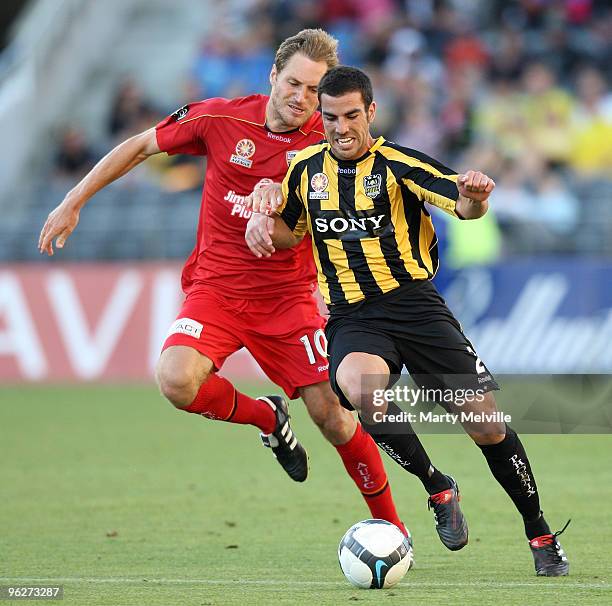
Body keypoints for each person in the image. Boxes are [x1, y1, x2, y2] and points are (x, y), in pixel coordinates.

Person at [38, 30, 410, 537]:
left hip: (288, 299)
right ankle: (267, 419)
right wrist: (73, 200)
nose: (301, 98)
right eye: (294, 84)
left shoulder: (330, 143)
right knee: (175, 380)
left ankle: (392, 529)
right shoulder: (219, 117)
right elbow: (142, 145)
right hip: (215, 292)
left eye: (313, 91)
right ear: (273, 77)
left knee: (336, 419)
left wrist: (283, 196)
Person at [245, 65, 570, 576]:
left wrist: (477, 196)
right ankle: (438, 486)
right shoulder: (305, 170)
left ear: (370, 112)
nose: (341, 127)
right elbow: (291, 231)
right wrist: (263, 227)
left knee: (485, 425)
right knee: (356, 384)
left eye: (352, 115)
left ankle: (539, 532)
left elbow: (461, 204)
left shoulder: (398, 164)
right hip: (354, 316)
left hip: (416, 308)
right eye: (330, 117)